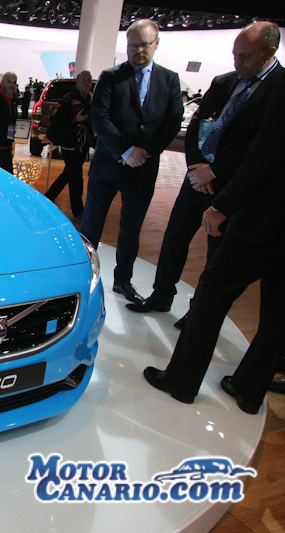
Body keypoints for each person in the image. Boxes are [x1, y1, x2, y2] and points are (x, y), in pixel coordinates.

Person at [143, 72, 285, 414]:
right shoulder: (229, 84)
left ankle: (181, 381)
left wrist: (223, 206)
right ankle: (249, 390)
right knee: (278, 314)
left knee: (211, 297)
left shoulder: (280, 87)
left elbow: (264, 154)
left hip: (263, 221)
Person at [126, 22, 283, 324]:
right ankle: (161, 295)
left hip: (229, 187)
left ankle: (197, 312)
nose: (237, 62)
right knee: (174, 238)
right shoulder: (224, 82)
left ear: (269, 51)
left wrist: (215, 171)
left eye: (245, 56)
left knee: (216, 253)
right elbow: (198, 123)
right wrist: (196, 167)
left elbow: (263, 147)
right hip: (196, 178)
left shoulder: (279, 87)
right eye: (234, 55)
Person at [80, 19, 183, 304]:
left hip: (143, 167)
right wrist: (126, 151)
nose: (138, 51)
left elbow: (173, 121)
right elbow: (100, 118)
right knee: (91, 225)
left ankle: (122, 280)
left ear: (156, 43)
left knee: (131, 228)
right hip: (108, 164)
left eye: (144, 45)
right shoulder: (110, 76)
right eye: (132, 45)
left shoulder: (169, 79)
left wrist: (145, 152)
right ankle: (83, 277)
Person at [44, 70, 93, 222]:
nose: (86, 82)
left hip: (82, 144)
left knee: (69, 173)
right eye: (83, 79)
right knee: (76, 177)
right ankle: (78, 212)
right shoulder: (69, 98)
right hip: (69, 142)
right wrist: (75, 118)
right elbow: (55, 119)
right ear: (77, 81)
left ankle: (49, 197)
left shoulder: (91, 99)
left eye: (89, 80)